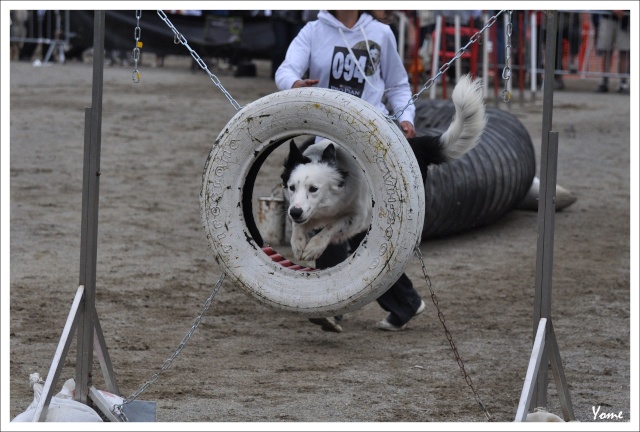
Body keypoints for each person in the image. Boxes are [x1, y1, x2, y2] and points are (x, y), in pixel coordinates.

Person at [275, 10, 425, 332]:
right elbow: (286, 69)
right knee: (331, 217)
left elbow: (398, 85)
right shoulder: (313, 31)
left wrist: (406, 118)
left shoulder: (381, 33)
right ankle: (344, 304)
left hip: (372, 140)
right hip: (328, 146)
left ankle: (396, 302)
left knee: (361, 227)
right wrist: (295, 84)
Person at [593, 10, 630, 93]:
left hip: (626, 20)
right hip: (608, 17)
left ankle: (623, 83)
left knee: (624, 52)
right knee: (606, 51)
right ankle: (604, 81)